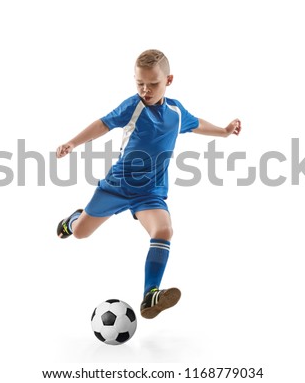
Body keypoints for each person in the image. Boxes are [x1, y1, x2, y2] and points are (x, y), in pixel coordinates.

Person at [56, 49, 241, 319]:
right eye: (140, 83)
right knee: (82, 232)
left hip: (150, 193)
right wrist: (73, 142)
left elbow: (196, 123)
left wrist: (223, 132)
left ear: (169, 80)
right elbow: (103, 124)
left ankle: (150, 294)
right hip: (116, 187)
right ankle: (74, 219)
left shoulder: (176, 112)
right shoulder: (134, 106)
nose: (145, 89)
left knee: (164, 230)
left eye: (153, 84)